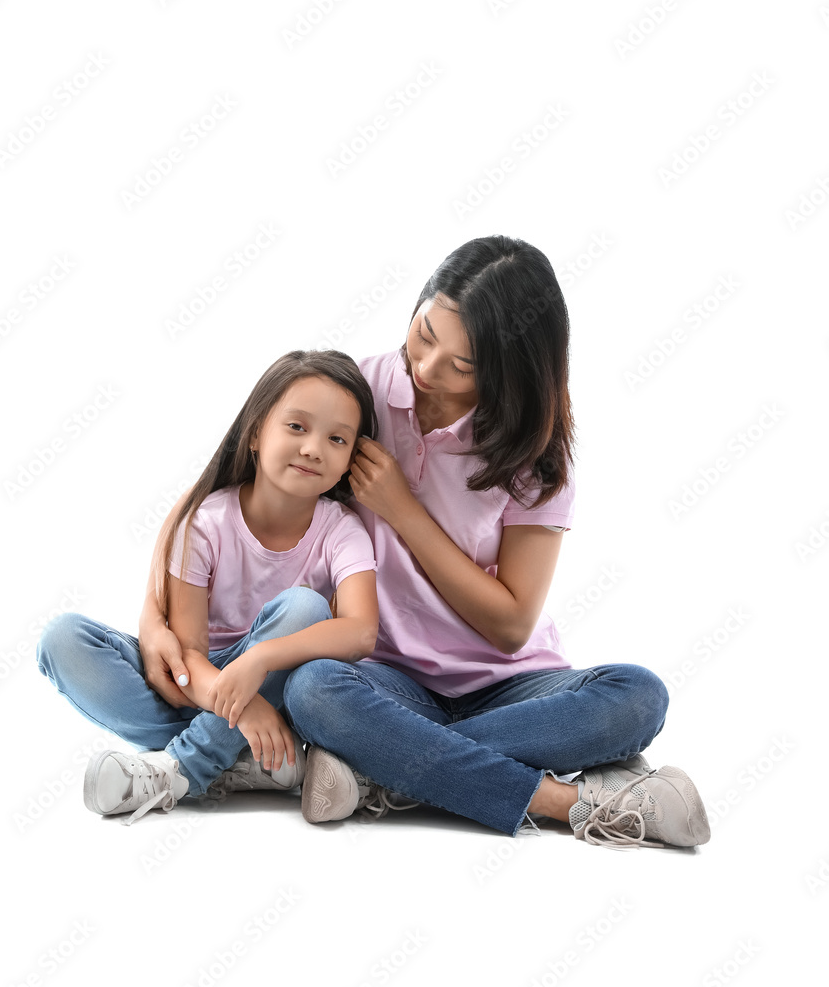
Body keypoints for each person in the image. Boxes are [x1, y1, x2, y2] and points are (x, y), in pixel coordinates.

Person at [141, 236, 711, 849]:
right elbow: (222, 484)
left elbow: (512, 625)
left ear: (509, 370)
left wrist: (403, 511)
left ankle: (377, 768)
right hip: (380, 679)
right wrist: (153, 620)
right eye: (424, 332)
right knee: (313, 690)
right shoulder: (364, 389)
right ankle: (563, 801)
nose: (427, 367)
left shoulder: (535, 459)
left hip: (509, 687)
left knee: (638, 698)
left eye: (462, 365)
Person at [36, 350, 379, 825]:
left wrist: (259, 664)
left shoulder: (343, 531)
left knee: (305, 608)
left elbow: (361, 632)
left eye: (336, 439)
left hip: (278, 688)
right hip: (200, 682)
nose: (313, 448)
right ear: (257, 431)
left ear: (348, 461)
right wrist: (243, 710)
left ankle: (180, 769)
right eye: (296, 427)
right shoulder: (205, 522)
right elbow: (186, 655)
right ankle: (247, 757)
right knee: (63, 639)